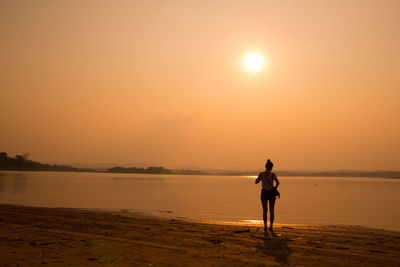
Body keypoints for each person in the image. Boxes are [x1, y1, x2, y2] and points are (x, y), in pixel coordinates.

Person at [255, 159, 280, 231]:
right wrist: (275, 188)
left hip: (264, 193)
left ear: (265, 167)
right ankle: (271, 227)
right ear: (271, 167)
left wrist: (260, 179)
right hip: (271, 193)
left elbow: (256, 182)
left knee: (264, 210)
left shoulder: (261, 174)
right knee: (272, 210)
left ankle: (265, 226)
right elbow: (278, 182)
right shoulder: (272, 174)